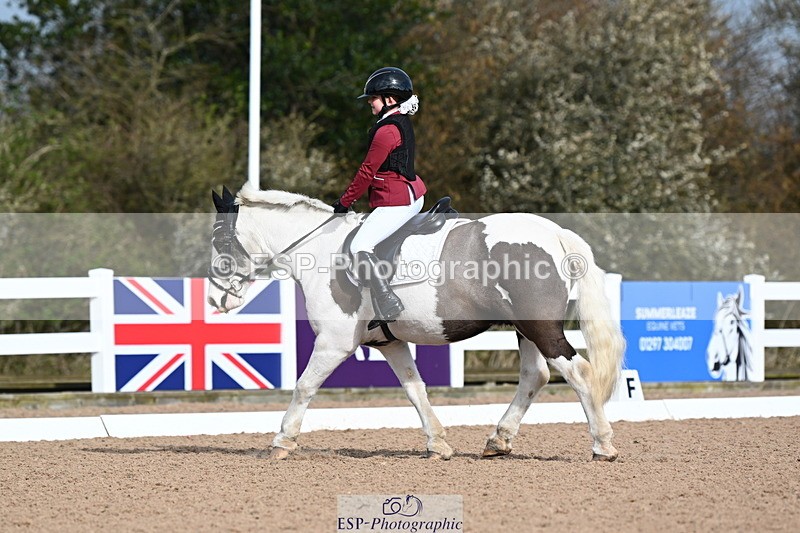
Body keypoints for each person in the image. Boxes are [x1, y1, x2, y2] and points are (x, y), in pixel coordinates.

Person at [331, 67, 427, 329]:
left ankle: (388, 302)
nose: (370, 103)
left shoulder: (387, 130)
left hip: (398, 199)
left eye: (373, 98)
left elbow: (367, 171)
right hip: (409, 191)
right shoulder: (397, 121)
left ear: (390, 99)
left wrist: (345, 201)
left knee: (359, 246)